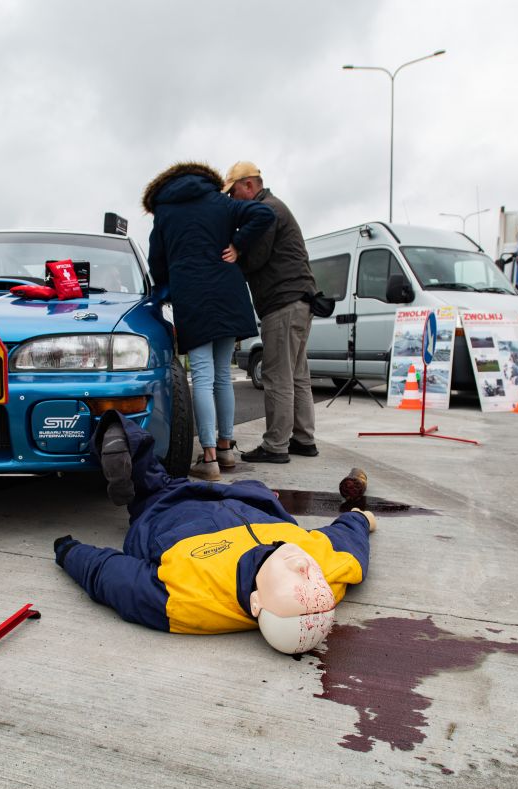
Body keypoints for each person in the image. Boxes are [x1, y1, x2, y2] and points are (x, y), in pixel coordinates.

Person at [55, 412, 375, 654]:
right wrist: (362, 518)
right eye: (314, 580)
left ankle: (115, 437)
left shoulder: (187, 603)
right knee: (257, 490)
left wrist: (69, 551)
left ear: (256, 603)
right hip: (249, 502)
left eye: (295, 585)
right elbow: (349, 537)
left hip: (171, 515)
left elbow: (113, 577)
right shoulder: (327, 567)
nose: (304, 568)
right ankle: (124, 449)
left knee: (144, 472)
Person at [142, 162, 276, 479]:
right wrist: (238, 246)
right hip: (227, 293)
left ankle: (209, 458)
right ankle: (227, 448)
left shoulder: (164, 213)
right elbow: (264, 214)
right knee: (220, 377)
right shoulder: (220, 201)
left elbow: (156, 262)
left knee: (201, 377)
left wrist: (167, 287)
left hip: (193, 296)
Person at [222, 161, 318, 465]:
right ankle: (303, 439)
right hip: (300, 302)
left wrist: (233, 254)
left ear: (249, 185)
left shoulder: (267, 211)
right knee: (298, 375)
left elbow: (257, 258)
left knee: (277, 377)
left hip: (282, 304)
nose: (232, 199)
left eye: (234, 192)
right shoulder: (276, 207)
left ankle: (276, 445)